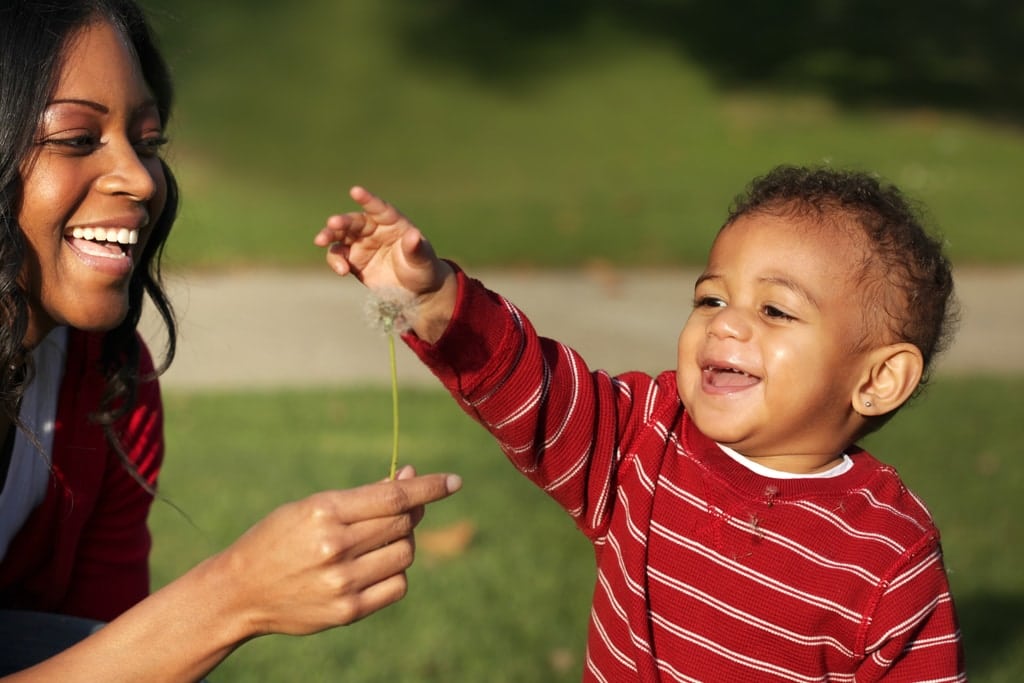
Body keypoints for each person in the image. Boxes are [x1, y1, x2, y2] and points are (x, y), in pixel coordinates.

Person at [314, 166, 966, 680]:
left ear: (879, 379)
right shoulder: (644, 440)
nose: (726, 322)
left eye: (775, 310)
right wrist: (432, 297)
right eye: (711, 297)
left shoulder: (886, 555)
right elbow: (529, 387)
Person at [0, 1, 462, 681]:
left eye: (148, 141)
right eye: (76, 137)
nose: (139, 178)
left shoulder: (113, 387)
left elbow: (108, 652)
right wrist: (233, 594)